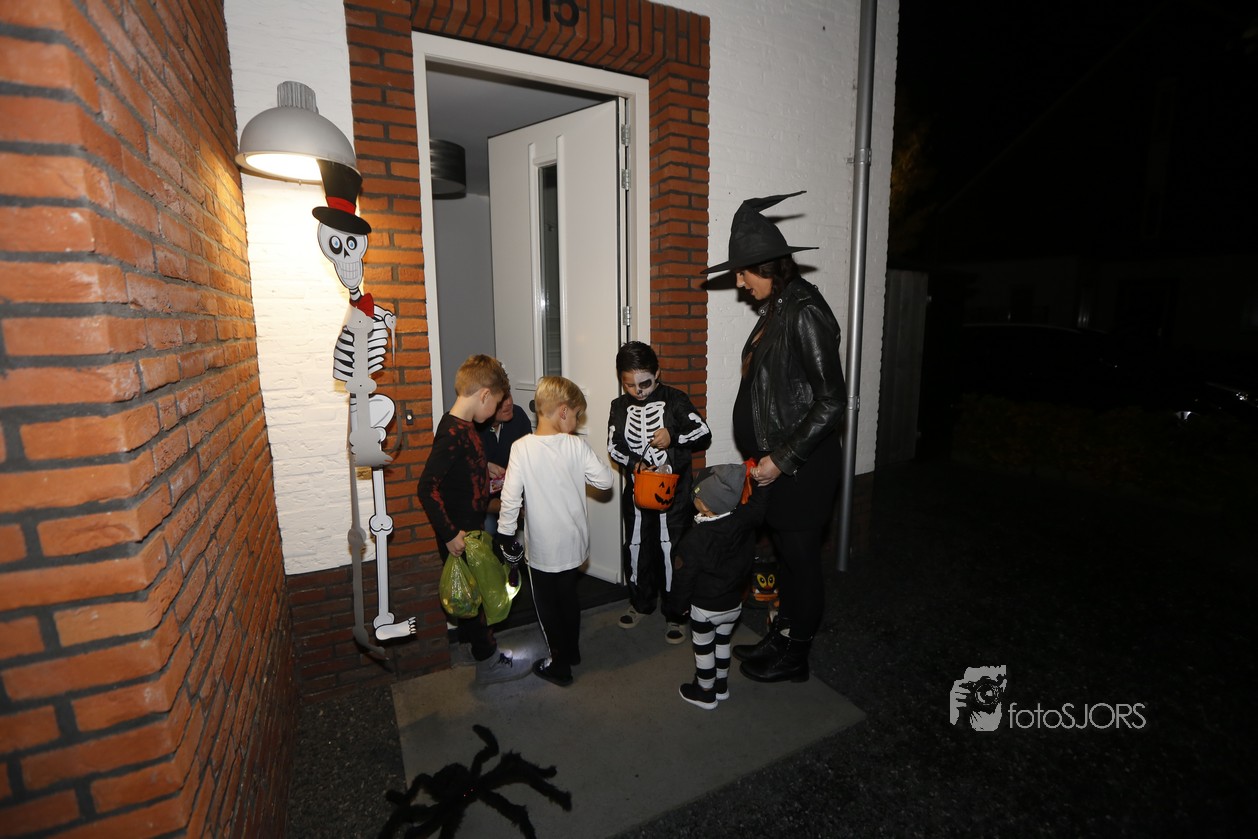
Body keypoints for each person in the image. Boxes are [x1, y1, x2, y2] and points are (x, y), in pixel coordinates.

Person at [701, 191, 846, 684]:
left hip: (802, 468)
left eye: (743, 272)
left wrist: (781, 459)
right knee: (786, 557)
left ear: (766, 266)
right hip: (779, 465)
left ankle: (796, 656)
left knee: (802, 562)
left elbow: (831, 400)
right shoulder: (778, 308)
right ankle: (782, 635)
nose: (738, 282)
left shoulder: (803, 310)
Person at [417, 354, 529, 685]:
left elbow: (458, 471)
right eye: (494, 403)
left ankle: (470, 647)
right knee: (476, 596)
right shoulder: (453, 432)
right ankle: (489, 660)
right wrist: (450, 534)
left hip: (470, 530)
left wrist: (484, 469)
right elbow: (427, 487)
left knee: (470, 594)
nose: (494, 412)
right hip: (460, 534)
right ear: (483, 395)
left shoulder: (463, 426)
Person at [496, 376, 614, 687]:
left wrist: (505, 536)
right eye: (576, 415)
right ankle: (571, 651)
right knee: (568, 597)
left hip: (544, 550)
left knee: (548, 607)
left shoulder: (521, 448)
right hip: (574, 544)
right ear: (563, 411)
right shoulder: (577, 445)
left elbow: (510, 498)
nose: (577, 422)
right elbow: (605, 481)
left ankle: (560, 666)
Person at [608, 341, 711, 644]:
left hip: (673, 493)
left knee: (671, 548)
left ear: (658, 373)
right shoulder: (619, 406)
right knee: (637, 545)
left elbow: (703, 433)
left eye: (645, 383)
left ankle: (675, 612)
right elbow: (614, 445)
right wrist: (635, 463)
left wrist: (673, 436)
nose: (638, 391)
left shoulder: (675, 399)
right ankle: (640, 602)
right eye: (630, 385)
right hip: (639, 490)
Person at [666, 463, 760, 710]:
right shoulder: (743, 524)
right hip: (733, 603)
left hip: (706, 607)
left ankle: (705, 691)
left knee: (704, 648)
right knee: (722, 643)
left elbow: (684, 578)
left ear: (706, 506)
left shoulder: (695, 539)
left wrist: (678, 606)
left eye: (696, 495)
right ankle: (721, 685)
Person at [478, 386, 532, 535]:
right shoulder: (471, 428)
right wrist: (508, 507)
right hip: (482, 504)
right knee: (488, 526)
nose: (508, 402)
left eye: (508, 395)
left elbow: (530, 466)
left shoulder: (518, 416)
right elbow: (467, 495)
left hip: (514, 499)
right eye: (501, 399)